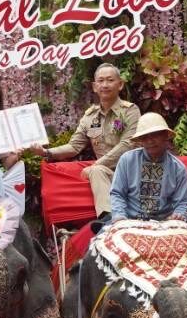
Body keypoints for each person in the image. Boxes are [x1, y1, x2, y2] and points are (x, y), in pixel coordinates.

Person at [32, 64, 139, 220]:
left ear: (120, 84)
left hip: (129, 172)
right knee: (97, 171)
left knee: (96, 170)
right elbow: (74, 146)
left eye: (110, 80)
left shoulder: (130, 111)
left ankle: (108, 221)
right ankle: (108, 220)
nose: (105, 85)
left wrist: (96, 164)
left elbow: (127, 144)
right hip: (106, 174)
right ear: (95, 87)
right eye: (100, 81)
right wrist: (46, 152)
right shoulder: (90, 116)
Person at [107, 112, 187, 223]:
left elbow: (183, 202)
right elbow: (117, 193)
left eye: (155, 135)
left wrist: (178, 215)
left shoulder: (178, 168)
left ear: (165, 136)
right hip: (128, 221)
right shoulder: (127, 160)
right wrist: (119, 217)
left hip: (164, 224)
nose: (150, 141)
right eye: (145, 137)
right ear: (141, 141)